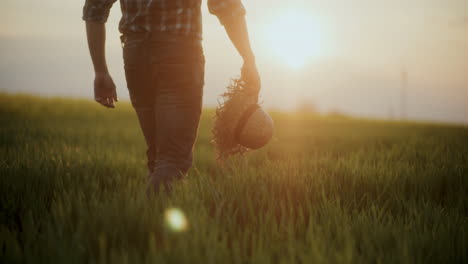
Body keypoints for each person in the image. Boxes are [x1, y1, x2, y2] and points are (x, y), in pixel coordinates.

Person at [83, 0, 261, 193]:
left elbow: (95, 8)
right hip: (180, 55)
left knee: (158, 158)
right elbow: (226, 6)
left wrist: (100, 71)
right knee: (172, 161)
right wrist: (248, 58)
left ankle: (147, 219)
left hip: (136, 55)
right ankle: (142, 218)